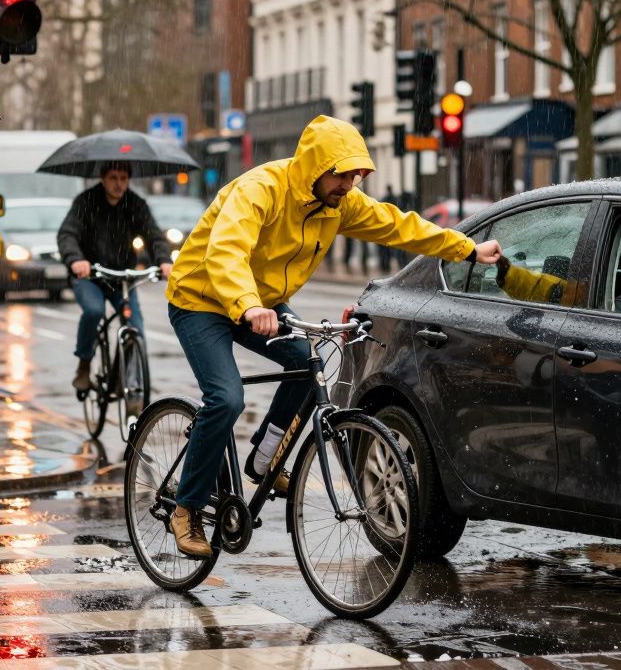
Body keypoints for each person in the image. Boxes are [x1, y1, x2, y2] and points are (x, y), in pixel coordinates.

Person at [163, 115, 502, 557]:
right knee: (226, 399)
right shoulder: (260, 189)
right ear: (314, 168)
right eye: (342, 174)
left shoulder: (340, 204)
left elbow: (399, 225)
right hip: (202, 297)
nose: (350, 184)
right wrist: (248, 306)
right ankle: (185, 509)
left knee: (308, 364)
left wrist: (467, 249)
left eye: (356, 175)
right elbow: (226, 250)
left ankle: (264, 459)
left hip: (260, 300)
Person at [58, 161, 172, 391]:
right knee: (94, 311)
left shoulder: (136, 204)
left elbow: (153, 235)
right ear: (102, 177)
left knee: (136, 328)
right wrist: (76, 260)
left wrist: (164, 260)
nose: (119, 184)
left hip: (121, 277)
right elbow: (67, 234)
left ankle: (126, 378)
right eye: (113, 178)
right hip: (90, 275)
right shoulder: (86, 201)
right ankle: (84, 364)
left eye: (123, 178)